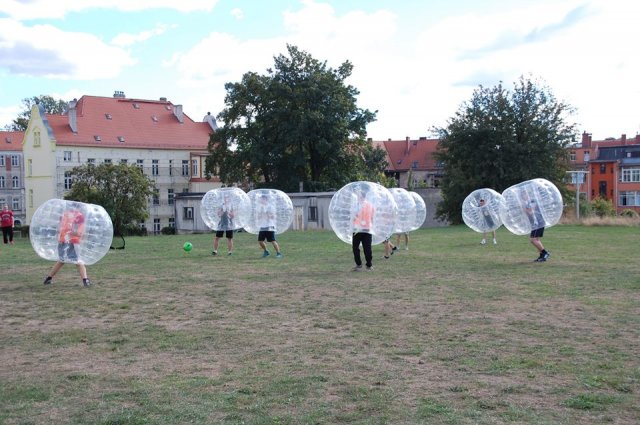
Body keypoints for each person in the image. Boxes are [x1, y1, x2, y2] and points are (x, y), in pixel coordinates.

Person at [43, 203, 92, 286]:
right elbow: (79, 233)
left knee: (61, 261)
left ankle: (48, 278)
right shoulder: (79, 216)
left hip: (62, 241)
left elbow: (60, 229)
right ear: (79, 207)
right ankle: (85, 280)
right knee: (78, 261)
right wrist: (81, 235)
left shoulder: (65, 215)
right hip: (73, 241)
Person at [352, 186, 375, 271]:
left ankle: (365, 265)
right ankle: (363, 265)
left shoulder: (361, 205)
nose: (357, 195)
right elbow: (372, 216)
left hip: (362, 229)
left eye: (358, 194)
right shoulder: (366, 205)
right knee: (360, 248)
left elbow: (354, 216)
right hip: (360, 229)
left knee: (363, 248)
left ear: (362, 196)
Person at [522, 190, 550, 262]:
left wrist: (525, 210)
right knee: (536, 239)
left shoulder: (532, 201)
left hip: (538, 223)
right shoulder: (528, 203)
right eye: (522, 195)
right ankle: (542, 256)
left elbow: (531, 213)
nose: (523, 197)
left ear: (527, 194)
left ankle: (545, 253)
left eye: (524, 194)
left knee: (533, 240)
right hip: (536, 223)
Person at [255, 193, 282, 258]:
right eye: (261, 199)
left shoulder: (270, 207)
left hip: (270, 226)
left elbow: (273, 216)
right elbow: (258, 217)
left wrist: (267, 215)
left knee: (272, 240)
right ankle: (266, 251)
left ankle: (278, 253)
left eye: (262, 199)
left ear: (266, 199)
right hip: (262, 226)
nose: (261, 201)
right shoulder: (260, 207)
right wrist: (260, 215)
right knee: (260, 241)